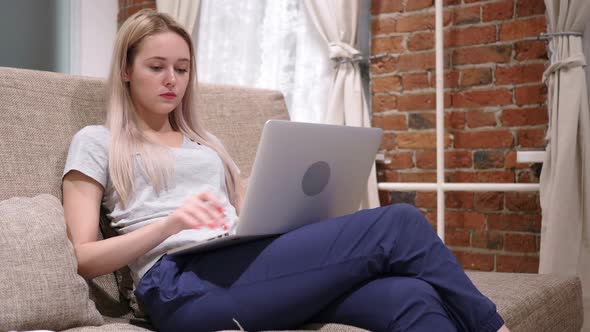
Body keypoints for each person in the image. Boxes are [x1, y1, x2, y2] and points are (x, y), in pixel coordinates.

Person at [62, 9, 510, 332]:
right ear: (125, 69)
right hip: (177, 284)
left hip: (243, 268)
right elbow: (81, 257)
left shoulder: (208, 147)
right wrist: (170, 224)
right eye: (156, 67)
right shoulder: (97, 141)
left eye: (182, 69)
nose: (172, 80)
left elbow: (247, 220)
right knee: (400, 221)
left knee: (411, 297)